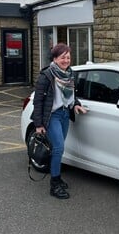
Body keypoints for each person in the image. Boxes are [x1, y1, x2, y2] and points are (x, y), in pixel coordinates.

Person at [31, 43, 87, 199]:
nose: (66, 60)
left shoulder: (69, 74)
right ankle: (54, 184)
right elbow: (38, 101)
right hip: (53, 116)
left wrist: (76, 105)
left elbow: (71, 96)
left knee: (59, 149)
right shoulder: (47, 75)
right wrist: (39, 124)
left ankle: (57, 176)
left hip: (64, 115)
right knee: (58, 148)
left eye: (68, 57)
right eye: (63, 57)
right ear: (55, 58)